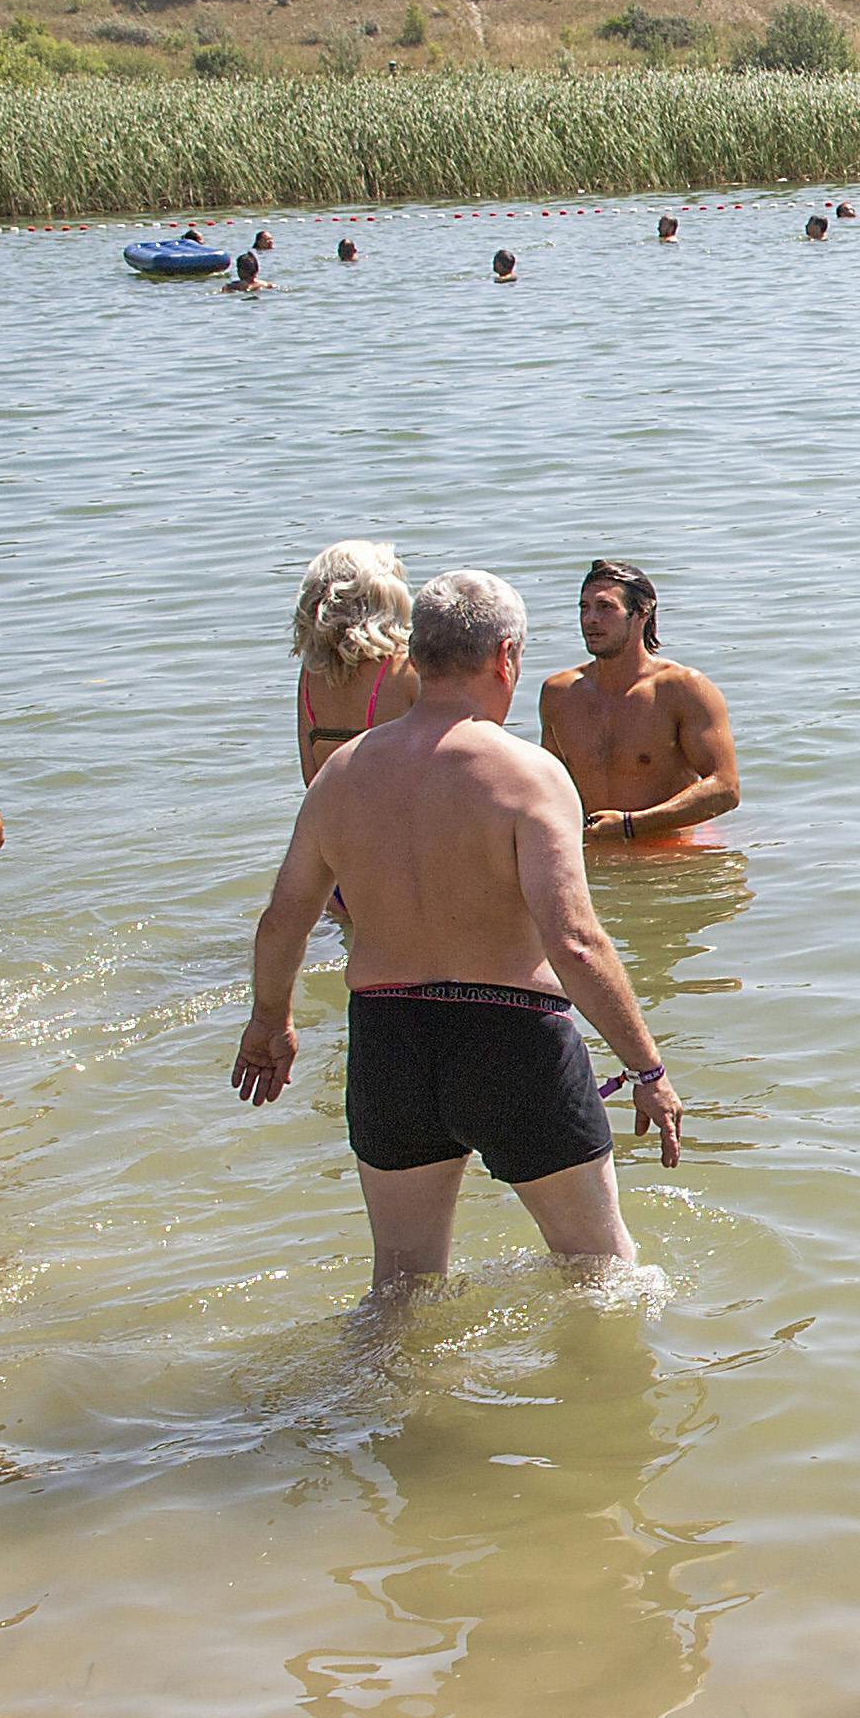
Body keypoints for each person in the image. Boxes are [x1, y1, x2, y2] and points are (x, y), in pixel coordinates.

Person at [234, 569, 683, 1286]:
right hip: (511, 1037)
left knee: (402, 1286)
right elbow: (574, 940)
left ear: (416, 657)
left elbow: (285, 917)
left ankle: (373, 1402)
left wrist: (270, 1024)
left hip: (388, 1041)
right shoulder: (528, 776)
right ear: (506, 658)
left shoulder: (343, 774)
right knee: (602, 1271)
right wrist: (647, 1069)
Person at [540, 559, 740, 847]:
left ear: (642, 612)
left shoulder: (682, 689)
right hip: (593, 860)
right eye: (584, 608)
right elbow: (550, 787)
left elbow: (725, 789)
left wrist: (630, 825)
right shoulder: (558, 693)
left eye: (605, 607)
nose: (590, 619)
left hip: (669, 860)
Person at [294, 541, 416, 785]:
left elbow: (311, 778)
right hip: (400, 818)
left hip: (331, 819)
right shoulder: (407, 672)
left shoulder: (311, 674)